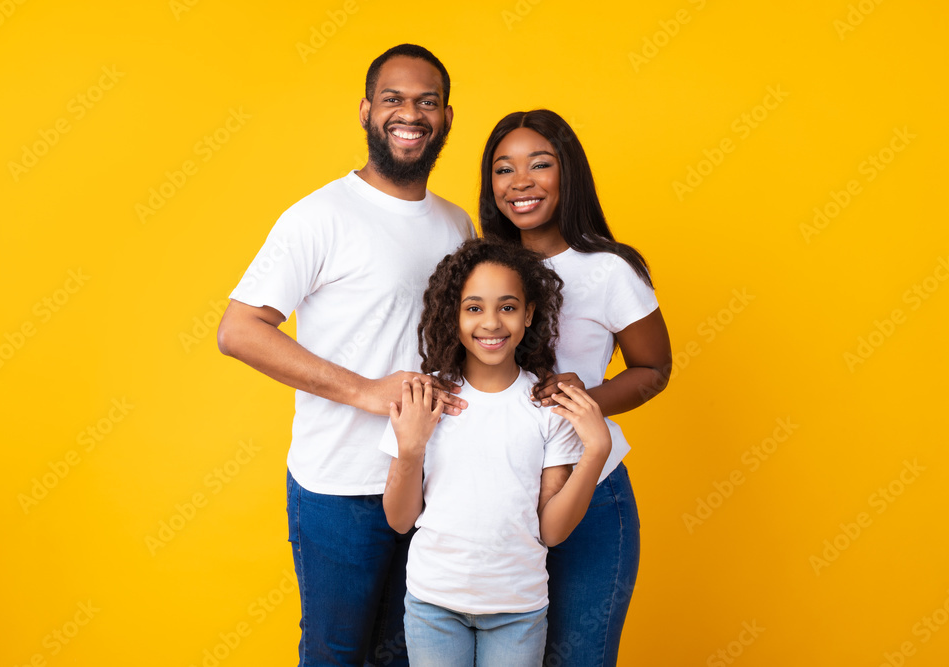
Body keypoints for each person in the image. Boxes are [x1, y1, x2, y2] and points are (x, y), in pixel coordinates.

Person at [217, 44, 474, 666]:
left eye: (426, 102)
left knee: (406, 656)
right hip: (340, 487)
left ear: (444, 118)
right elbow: (239, 329)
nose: (410, 113)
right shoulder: (320, 216)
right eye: (393, 99)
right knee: (335, 656)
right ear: (365, 111)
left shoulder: (459, 223)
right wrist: (366, 391)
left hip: (431, 483)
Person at [478, 109, 672, 667]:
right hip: (495, 500)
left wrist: (583, 400)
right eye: (503, 169)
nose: (520, 182)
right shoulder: (481, 267)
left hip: (590, 498)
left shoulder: (609, 271)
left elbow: (653, 369)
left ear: (569, 174)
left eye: (540, 164)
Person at [379, 238, 612, 666]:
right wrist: (410, 450)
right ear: (454, 315)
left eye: (507, 307)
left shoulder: (548, 408)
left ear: (529, 314)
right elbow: (399, 520)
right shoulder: (425, 398)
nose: (491, 322)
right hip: (434, 603)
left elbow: (553, 531)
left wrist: (596, 451)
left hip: (518, 610)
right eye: (473, 308)